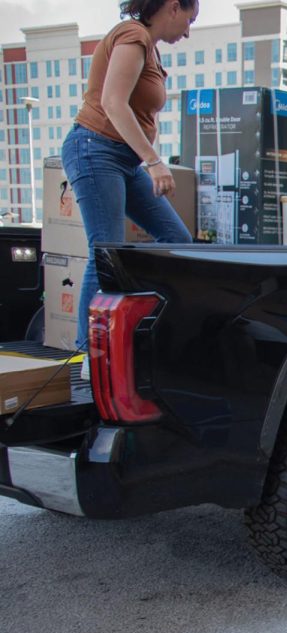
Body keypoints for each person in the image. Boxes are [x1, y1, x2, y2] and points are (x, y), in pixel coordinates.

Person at [63, 0, 197, 376]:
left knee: (177, 240)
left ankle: (142, 336)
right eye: (190, 19)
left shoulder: (149, 48)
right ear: (173, 6)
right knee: (104, 251)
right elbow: (112, 102)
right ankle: (87, 357)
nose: (187, 31)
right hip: (95, 149)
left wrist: (145, 159)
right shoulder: (133, 35)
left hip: (123, 158)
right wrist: (154, 161)